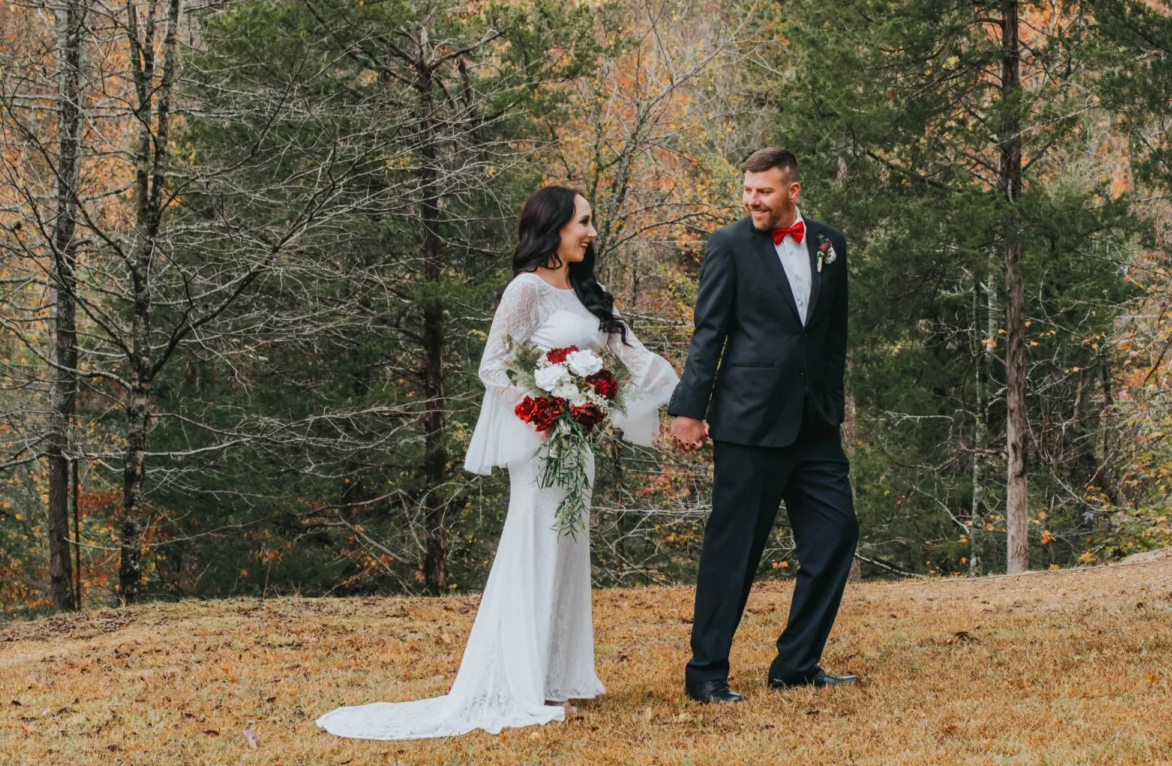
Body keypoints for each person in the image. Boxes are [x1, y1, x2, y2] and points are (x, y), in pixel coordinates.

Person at [316, 185, 678, 739]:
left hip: (577, 448)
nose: (592, 232)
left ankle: (555, 679)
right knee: (534, 544)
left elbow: (633, 357)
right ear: (554, 226)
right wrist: (547, 408)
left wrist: (693, 396)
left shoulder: (592, 292)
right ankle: (520, 682)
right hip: (540, 447)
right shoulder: (525, 290)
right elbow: (496, 365)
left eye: (592, 222)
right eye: (583, 221)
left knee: (568, 549)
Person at [669, 146, 860, 704]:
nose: (752, 200)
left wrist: (833, 403)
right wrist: (689, 408)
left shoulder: (829, 244)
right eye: (747, 190)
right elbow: (709, 333)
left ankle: (796, 665)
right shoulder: (728, 246)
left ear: (792, 191)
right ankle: (706, 673)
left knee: (836, 535)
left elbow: (833, 335)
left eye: (764, 191)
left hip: (816, 425)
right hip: (749, 424)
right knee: (734, 551)